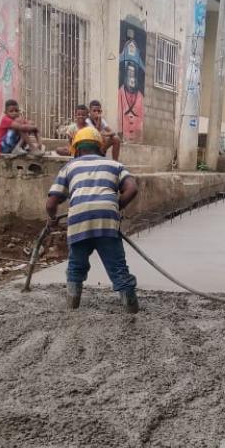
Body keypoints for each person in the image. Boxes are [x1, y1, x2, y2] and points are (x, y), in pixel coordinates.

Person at [46, 126, 140, 313]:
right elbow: (132, 188)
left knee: (76, 266)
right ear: (100, 148)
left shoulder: (69, 167)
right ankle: (131, 309)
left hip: (79, 221)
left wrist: (52, 218)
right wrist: (114, 206)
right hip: (106, 222)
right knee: (118, 268)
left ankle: (72, 306)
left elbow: (51, 203)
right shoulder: (115, 165)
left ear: (77, 150)